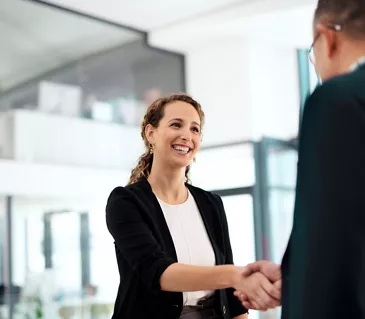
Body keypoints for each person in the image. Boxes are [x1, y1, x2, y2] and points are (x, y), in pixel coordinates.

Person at [236, 0, 365, 317]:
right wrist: (293, 275)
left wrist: (302, 283)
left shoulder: (339, 99)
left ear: (328, 38)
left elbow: (328, 243)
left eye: (312, 53)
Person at [106, 93, 281, 319]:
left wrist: (237, 280)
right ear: (151, 133)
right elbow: (158, 273)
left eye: (195, 129)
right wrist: (236, 275)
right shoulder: (125, 202)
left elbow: (229, 295)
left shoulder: (211, 204)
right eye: (176, 125)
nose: (186, 136)